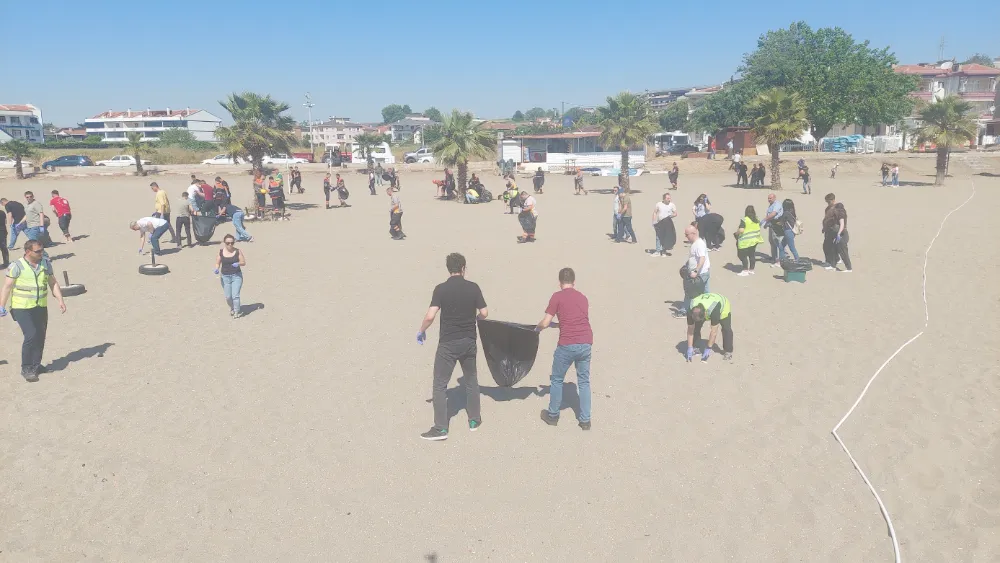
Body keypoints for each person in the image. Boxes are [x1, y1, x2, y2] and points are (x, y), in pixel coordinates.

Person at [416, 253, 488, 441]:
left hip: (448, 343)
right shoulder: (473, 287)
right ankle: (474, 420)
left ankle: (441, 428)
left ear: (449, 269)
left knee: (440, 384)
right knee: (471, 380)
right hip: (469, 341)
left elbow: (430, 316)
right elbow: (484, 312)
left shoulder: (441, 289)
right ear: (463, 268)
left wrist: (422, 330)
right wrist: (476, 318)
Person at [0, 240, 67, 381]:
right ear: (28, 252)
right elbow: (7, 287)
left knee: (40, 336)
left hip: (40, 306)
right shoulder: (16, 266)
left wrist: (60, 300)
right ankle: (26, 368)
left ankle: (36, 365)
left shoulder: (45, 263)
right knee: (31, 335)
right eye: (38, 251)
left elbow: (52, 282)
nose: (41, 253)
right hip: (21, 307)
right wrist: (2, 306)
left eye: (42, 250)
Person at [536, 267, 593, 430]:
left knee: (557, 379)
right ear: (574, 282)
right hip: (586, 342)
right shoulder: (583, 298)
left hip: (567, 344)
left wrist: (538, 328)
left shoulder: (557, 297)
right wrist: (557, 325)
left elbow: (545, 322)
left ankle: (553, 415)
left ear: (560, 282)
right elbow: (575, 320)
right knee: (584, 381)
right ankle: (585, 420)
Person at [674, 224, 710, 317]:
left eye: (687, 234)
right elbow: (695, 258)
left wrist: (696, 271)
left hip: (700, 274)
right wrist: (687, 265)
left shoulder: (699, 244)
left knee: (690, 293)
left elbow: (702, 258)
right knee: (705, 293)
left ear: (693, 233)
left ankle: (684, 311)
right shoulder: (697, 243)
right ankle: (709, 310)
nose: (686, 236)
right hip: (704, 272)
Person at [686, 293, 733, 363]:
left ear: (705, 314)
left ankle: (728, 351)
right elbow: (690, 329)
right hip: (705, 305)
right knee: (696, 326)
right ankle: (696, 346)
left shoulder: (714, 310)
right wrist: (690, 347)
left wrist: (708, 348)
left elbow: (714, 331)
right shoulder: (690, 309)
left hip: (722, 305)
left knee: (726, 328)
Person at [213, 234, 246, 318]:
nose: (230, 245)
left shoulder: (237, 251)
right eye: (228, 243)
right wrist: (216, 268)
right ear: (224, 243)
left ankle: (236, 311)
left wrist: (238, 263)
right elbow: (217, 262)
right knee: (228, 297)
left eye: (232, 243)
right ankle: (232, 307)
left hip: (236, 276)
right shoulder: (221, 252)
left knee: (235, 296)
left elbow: (243, 262)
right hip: (225, 277)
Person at [822, 193, 852, 272]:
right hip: (831, 231)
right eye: (827, 202)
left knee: (842, 250)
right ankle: (833, 263)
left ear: (833, 200)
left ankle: (848, 268)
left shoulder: (839, 210)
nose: (828, 203)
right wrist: (824, 228)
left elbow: (842, 224)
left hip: (841, 233)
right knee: (829, 247)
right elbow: (827, 220)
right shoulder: (828, 209)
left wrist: (838, 234)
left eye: (829, 202)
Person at [734, 205, 763, 276]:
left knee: (742, 256)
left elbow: (741, 230)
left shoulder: (745, 220)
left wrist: (736, 233)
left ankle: (745, 270)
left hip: (745, 241)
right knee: (751, 255)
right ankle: (751, 269)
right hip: (754, 240)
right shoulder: (757, 219)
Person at [651, 192, 677, 257]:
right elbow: (655, 212)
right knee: (658, 236)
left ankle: (664, 251)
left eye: (669, 198)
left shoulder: (672, 205)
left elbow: (675, 213)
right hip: (660, 222)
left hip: (668, 223)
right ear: (664, 198)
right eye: (668, 198)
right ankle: (657, 251)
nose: (669, 199)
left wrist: (670, 216)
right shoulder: (659, 204)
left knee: (666, 237)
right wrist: (653, 221)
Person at [761, 193, 784, 265]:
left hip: (776, 225)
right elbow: (769, 215)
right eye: (768, 198)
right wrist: (766, 224)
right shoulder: (771, 205)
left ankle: (781, 259)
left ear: (774, 198)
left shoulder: (777, 204)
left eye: (770, 198)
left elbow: (773, 214)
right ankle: (774, 257)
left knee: (778, 242)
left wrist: (764, 220)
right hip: (771, 225)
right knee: (771, 241)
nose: (769, 200)